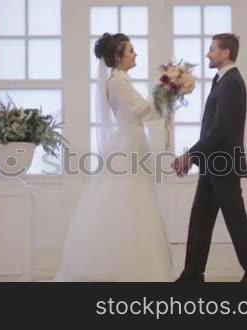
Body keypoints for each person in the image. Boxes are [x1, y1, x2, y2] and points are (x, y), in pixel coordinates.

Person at [53, 33, 172, 281]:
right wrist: (164, 90)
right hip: (129, 146)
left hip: (134, 143)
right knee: (131, 202)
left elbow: (148, 114)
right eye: (131, 51)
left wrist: (167, 95)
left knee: (138, 201)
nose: (135, 54)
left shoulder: (122, 80)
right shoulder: (117, 82)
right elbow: (139, 112)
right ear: (118, 57)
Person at [173, 33, 247, 283]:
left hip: (224, 166)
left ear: (226, 53)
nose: (208, 54)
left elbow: (221, 129)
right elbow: (214, 129)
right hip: (213, 165)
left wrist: (190, 154)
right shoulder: (222, 80)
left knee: (237, 223)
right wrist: (195, 157)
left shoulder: (232, 82)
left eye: (212, 49)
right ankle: (192, 274)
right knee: (200, 222)